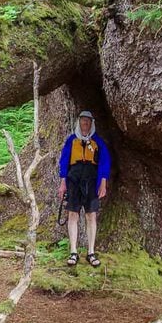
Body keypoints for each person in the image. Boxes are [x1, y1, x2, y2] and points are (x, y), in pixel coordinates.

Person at [57, 110, 110, 267]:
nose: (85, 123)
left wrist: (103, 183)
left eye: (88, 121)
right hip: (74, 179)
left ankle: (91, 252)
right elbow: (64, 161)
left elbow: (105, 162)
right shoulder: (71, 140)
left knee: (91, 215)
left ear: (92, 123)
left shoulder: (97, 142)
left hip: (92, 180)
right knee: (73, 214)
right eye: (83, 120)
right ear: (79, 122)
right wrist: (63, 182)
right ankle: (73, 252)